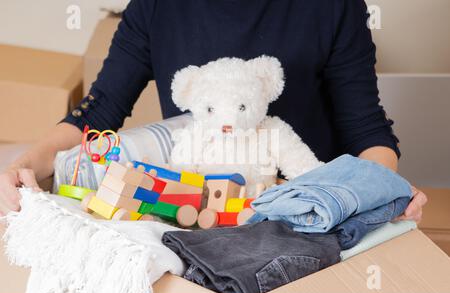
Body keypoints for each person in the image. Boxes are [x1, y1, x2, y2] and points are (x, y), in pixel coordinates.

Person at [0, 0, 426, 219]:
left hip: (307, 212)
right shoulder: (157, 5)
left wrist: (374, 193)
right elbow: (98, 111)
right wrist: (23, 166)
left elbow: (368, 131)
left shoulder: (332, 6)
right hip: (197, 211)